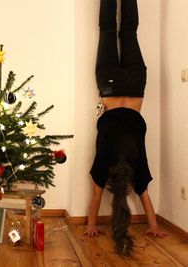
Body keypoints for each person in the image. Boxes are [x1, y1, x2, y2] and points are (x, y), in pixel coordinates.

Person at [84, 0, 166, 257]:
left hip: (135, 84)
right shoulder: (104, 165)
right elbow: (96, 197)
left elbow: (145, 198)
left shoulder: (136, 167)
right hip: (108, 84)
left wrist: (154, 227)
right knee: (107, 29)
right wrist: (91, 226)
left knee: (129, 30)